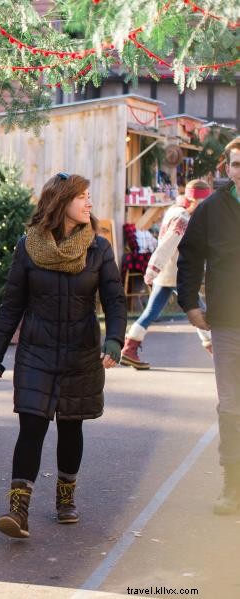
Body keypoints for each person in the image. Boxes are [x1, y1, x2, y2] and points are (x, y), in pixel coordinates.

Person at [0, 173, 126, 539]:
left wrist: (114, 339)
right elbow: (12, 302)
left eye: (88, 196)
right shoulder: (29, 246)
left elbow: (113, 298)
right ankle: (18, 511)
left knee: (71, 425)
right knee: (31, 426)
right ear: (61, 203)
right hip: (37, 352)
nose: (88, 203)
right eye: (82, 196)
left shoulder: (98, 248)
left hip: (80, 353)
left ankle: (66, 498)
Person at [177, 137, 240, 515]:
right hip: (228, 322)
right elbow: (189, 256)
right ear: (227, 169)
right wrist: (189, 303)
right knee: (232, 405)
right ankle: (232, 485)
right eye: (236, 164)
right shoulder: (212, 209)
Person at [121, 180, 213, 369]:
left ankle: (129, 348)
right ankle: (217, 350)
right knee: (198, 309)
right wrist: (152, 269)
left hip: (169, 272)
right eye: (205, 202)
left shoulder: (175, 209)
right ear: (196, 200)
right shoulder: (184, 217)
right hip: (176, 272)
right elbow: (167, 245)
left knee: (151, 312)